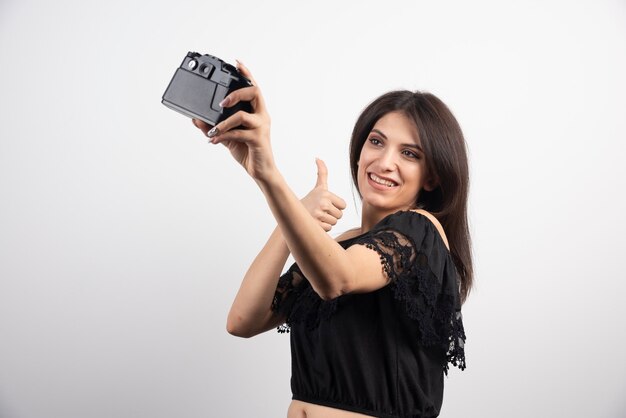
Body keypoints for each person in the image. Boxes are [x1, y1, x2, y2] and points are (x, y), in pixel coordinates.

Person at [192, 61, 472, 418]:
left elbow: (338, 279)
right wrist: (292, 216)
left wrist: (269, 174)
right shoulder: (339, 246)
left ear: (431, 177)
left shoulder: (419, 231)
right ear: (359, 151)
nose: (385, 162)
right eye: (376, 142)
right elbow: (243, 320)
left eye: (409, 153)